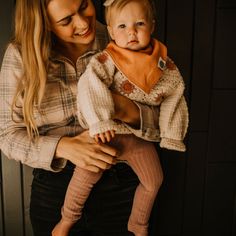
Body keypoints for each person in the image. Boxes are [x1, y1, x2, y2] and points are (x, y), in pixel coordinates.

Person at [0, 0, 163, 236]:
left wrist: (122, 108)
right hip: (56, 189)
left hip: (123, 182)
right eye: (66, 20)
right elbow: (7, 135)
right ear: (44, 24)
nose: (83, 22)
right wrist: (64, 147)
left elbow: (160, 118)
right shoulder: (20, 55)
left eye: (84, 5)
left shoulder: (120, 35)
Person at [52, 0, 189, 236]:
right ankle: (67, 219)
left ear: (152, 26)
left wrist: (171, 135)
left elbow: (174, 97)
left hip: (138, 139)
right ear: (112, 31)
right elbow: (90, 85)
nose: (132, 32)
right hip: (107, 135)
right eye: (123, 26)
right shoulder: (107, 60)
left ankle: (138, 224)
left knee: (154, 180)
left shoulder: (164, 65)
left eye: (139, 24)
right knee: (84, 176)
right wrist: (100, 122)